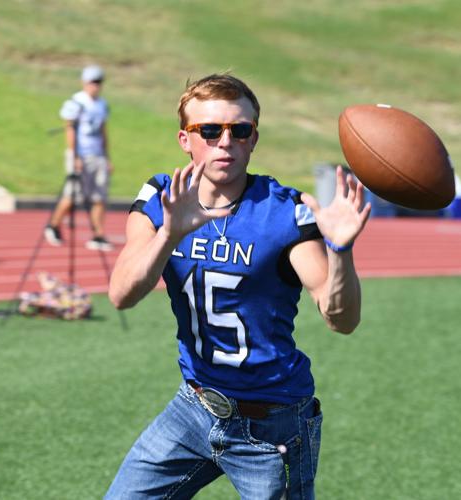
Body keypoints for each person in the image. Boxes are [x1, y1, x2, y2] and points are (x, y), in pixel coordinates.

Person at [105, 73, 371, 499]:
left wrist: (340, 250)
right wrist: (169, 234)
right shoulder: (162, 197)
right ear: (184, 140)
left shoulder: (284, 211)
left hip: (272, 422)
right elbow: (122, 294)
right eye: (209, 131)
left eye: (239, 130)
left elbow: (342, 319)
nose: (224, 141)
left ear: (254, 139)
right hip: (193, 406)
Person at [44, 64, 114, 251]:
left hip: (97, 154)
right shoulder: (76, 102)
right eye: (93, 82)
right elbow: (70, 130)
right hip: (80, 154)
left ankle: (98, 235)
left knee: (99, 196)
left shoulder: (102, 104)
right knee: (72, 194)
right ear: (84, 82)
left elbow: (103, 132)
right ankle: (53, 224)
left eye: (99, 82)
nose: (96, 86)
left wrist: (107, 157)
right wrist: (75, 155)